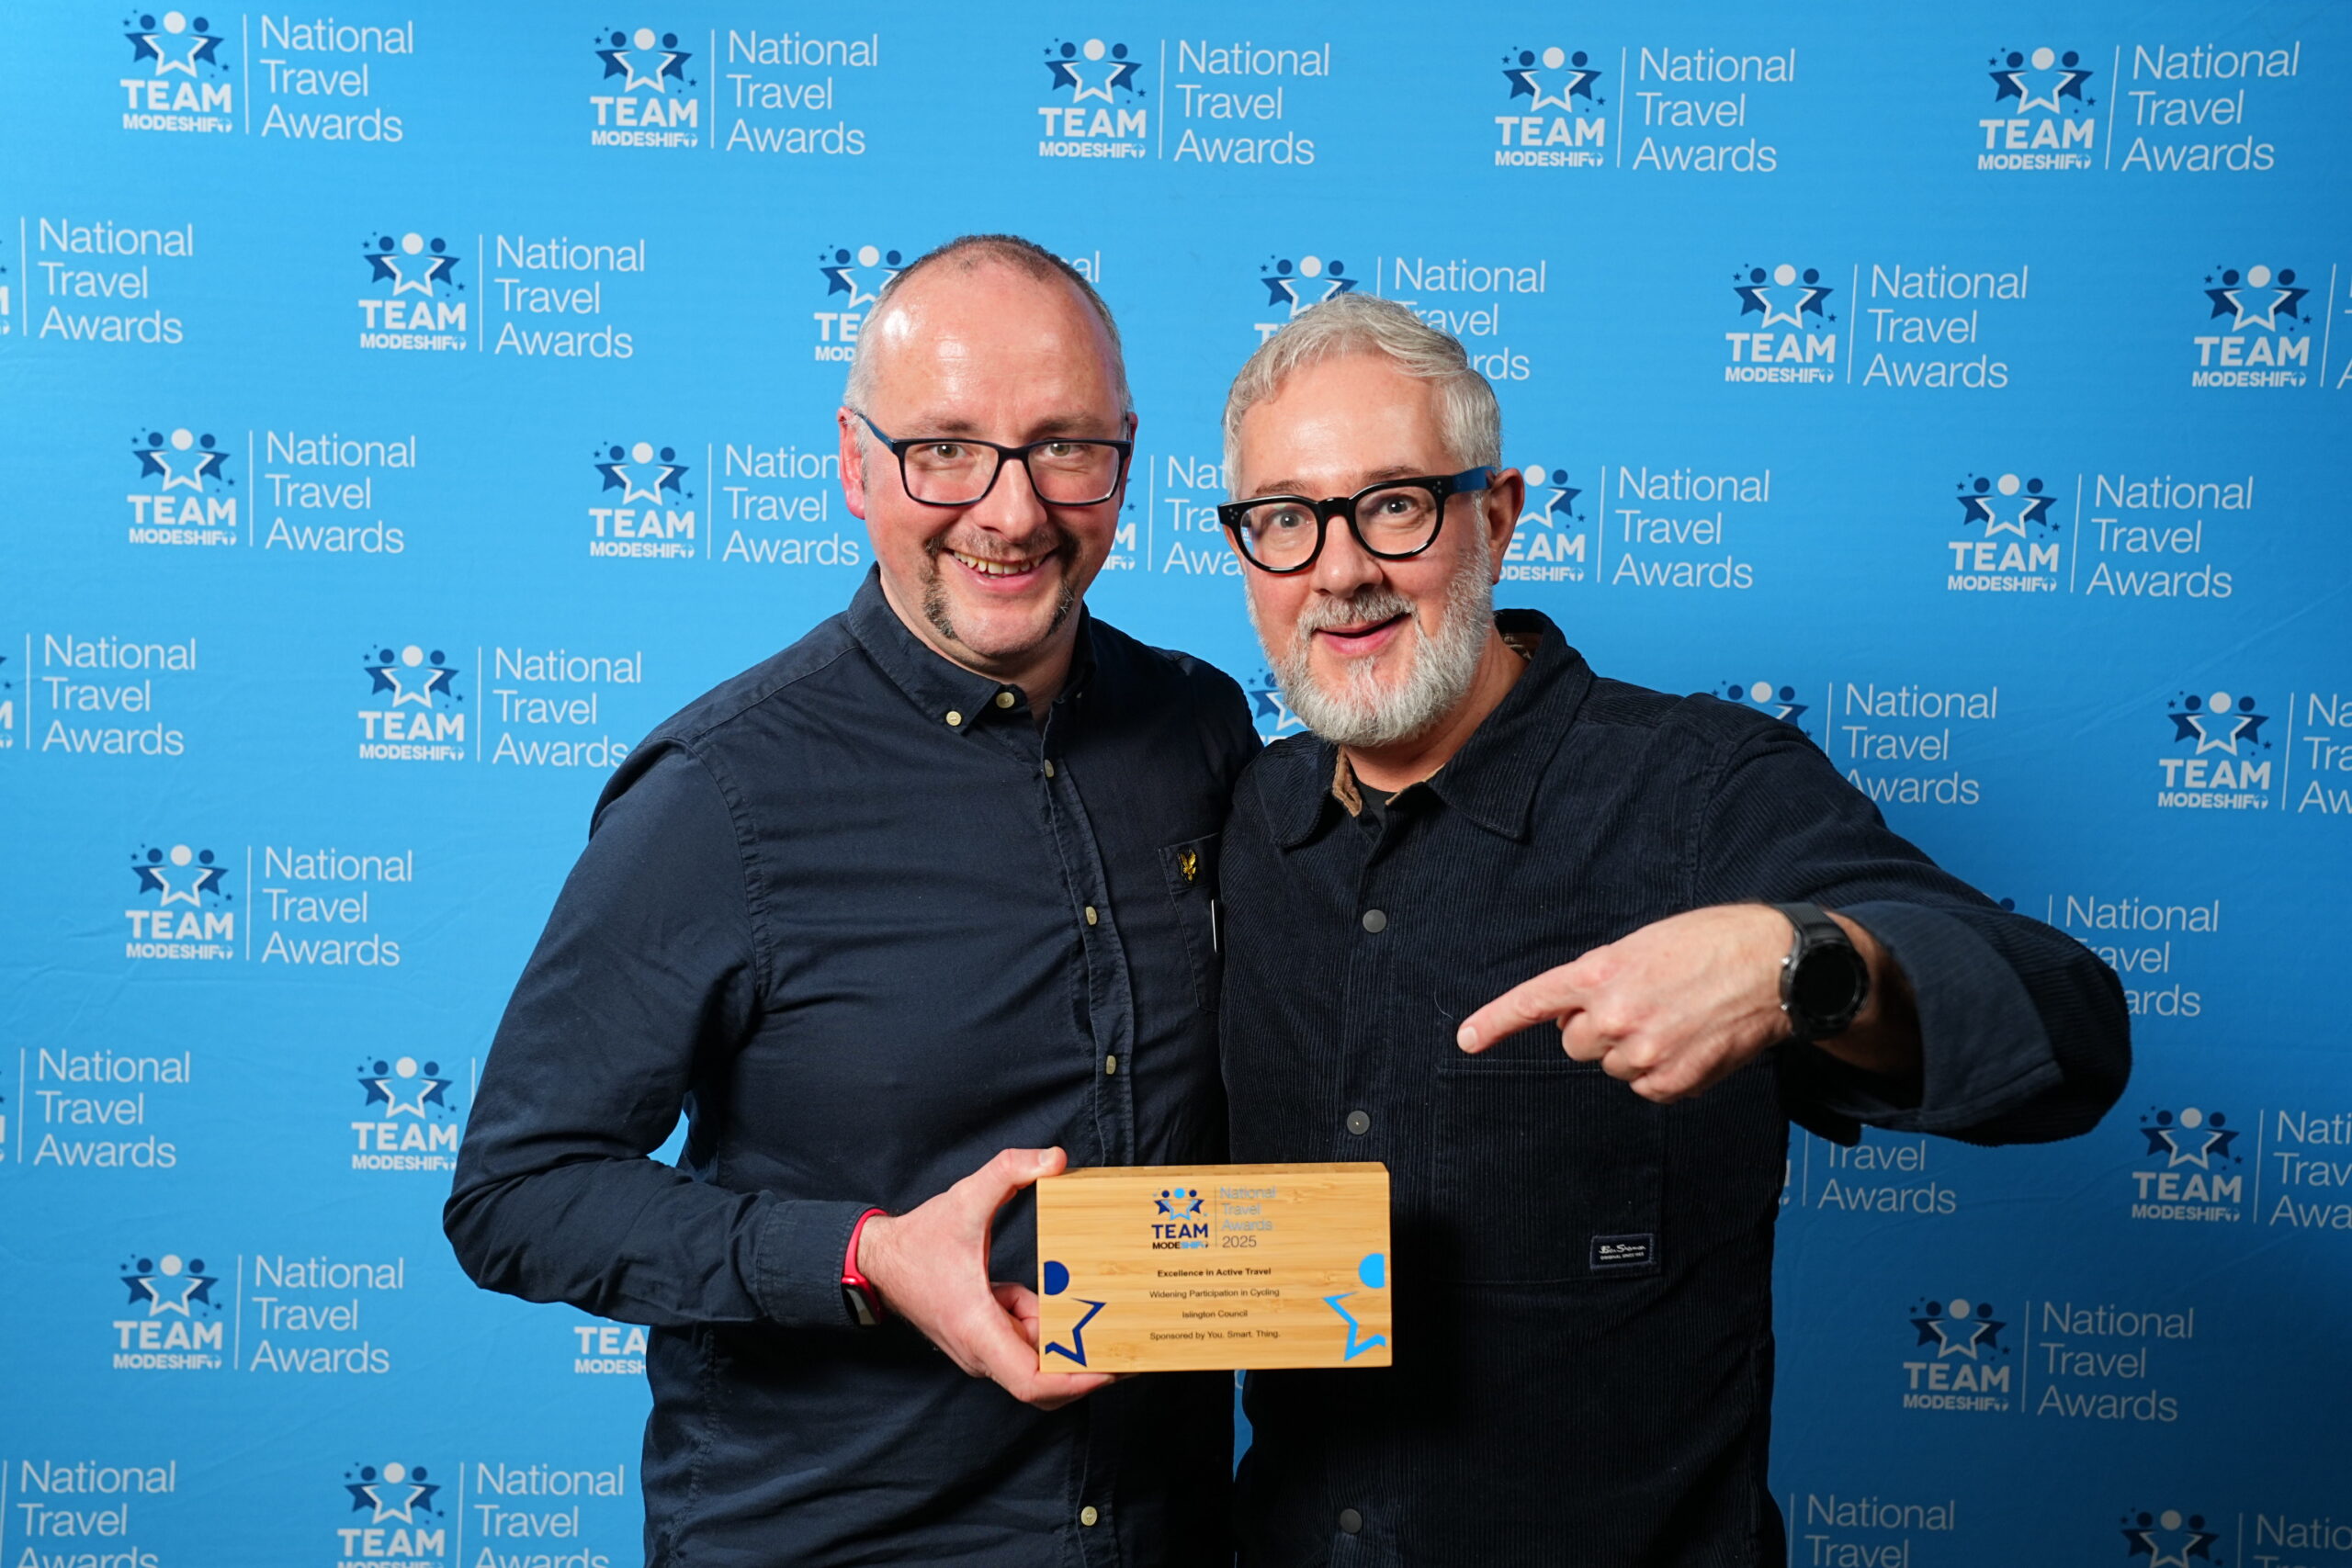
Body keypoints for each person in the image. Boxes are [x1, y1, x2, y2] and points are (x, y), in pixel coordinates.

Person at [1209, 294, 2130, 1566]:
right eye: (1284, 520)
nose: (1342, 567)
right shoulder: (1246, 825)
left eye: (1397, 505)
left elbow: (2073, 1031)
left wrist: (1799, 961)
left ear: (1497, 515)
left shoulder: (1701, 793)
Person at [445, 234, 1255, 1567]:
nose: (1010, 511)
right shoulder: (721, 793)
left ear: (1125, 462)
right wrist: (864, 1257)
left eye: (1065, 448)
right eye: (947, 447)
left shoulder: (1200, 728)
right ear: (854, 462)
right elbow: (517, 1192)